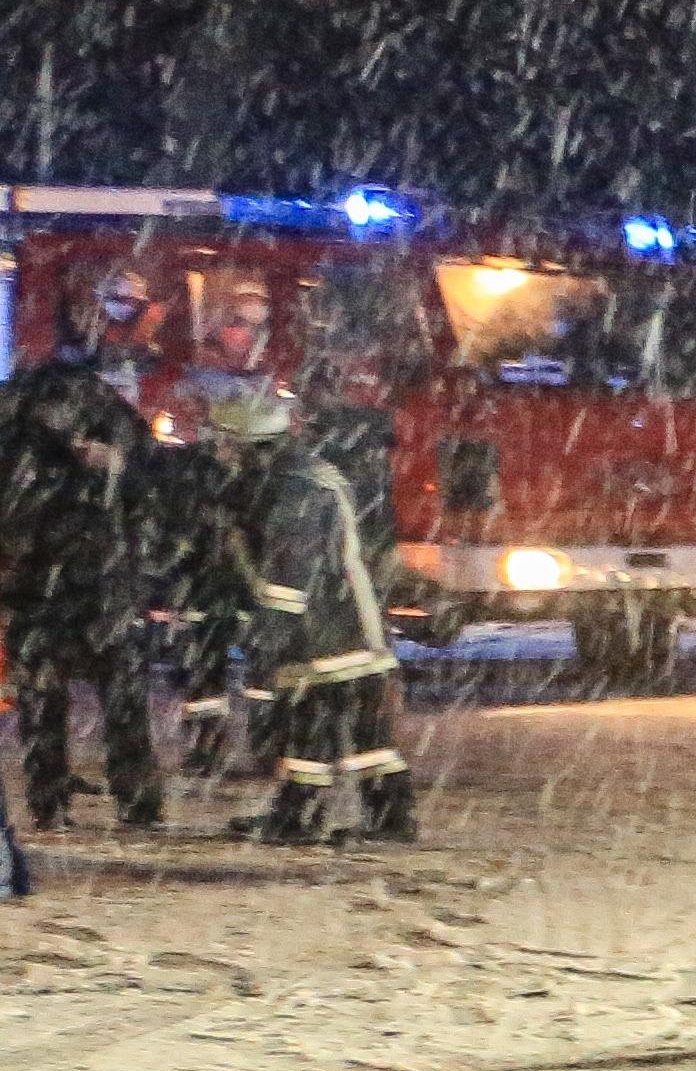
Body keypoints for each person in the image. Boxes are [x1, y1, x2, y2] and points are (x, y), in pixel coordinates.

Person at [201, 383, 416, 844]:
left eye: (222, 440)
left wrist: (267, 631)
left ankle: (387, 818)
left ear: (245, 443)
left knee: (362, 733)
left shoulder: (294, 487)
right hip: (328, 628)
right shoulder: (283, 478)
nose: (217, 450)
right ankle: (301, 814)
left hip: (335, 630)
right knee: (311, 728)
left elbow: (291, 569)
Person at [3, 332, 171, 832]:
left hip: (44, 578)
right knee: (117, 694)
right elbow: (147, 485)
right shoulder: (105, 414)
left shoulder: (19, 418)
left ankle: (50, 799)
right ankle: (132, 801)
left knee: (44, 696)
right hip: (94, 577)